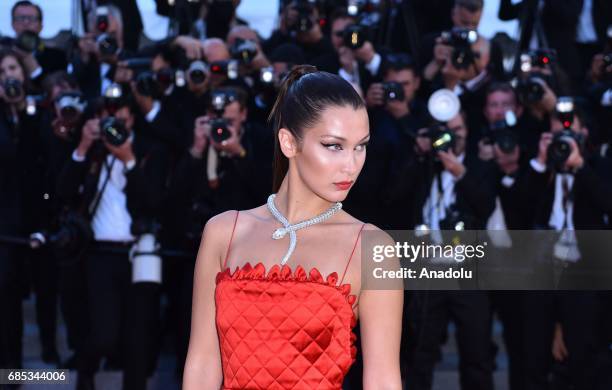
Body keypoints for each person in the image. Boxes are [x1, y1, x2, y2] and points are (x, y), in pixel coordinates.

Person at [182, 65, 403, 389]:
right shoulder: (224, 232)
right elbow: (202, 363)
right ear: (288, 142)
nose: (351, 165)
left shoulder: (373, 247)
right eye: (333, 145)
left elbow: (383, 379)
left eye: (361, 146)